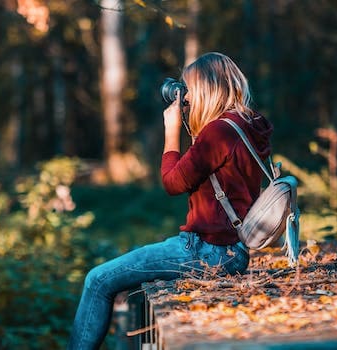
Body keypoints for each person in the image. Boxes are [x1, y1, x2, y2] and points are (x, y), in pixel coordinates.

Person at [68, 52, 273, 349]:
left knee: (97, 280)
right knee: (126, 274)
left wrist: (172, 131)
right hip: (235, 251)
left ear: (206, 88)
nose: (186, 97)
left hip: (207, 251)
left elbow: (173, 183)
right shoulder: (249, 125)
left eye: (189, 89)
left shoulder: (217, 132)